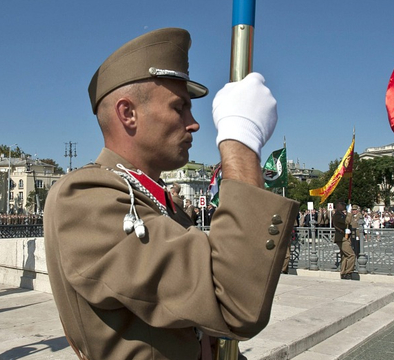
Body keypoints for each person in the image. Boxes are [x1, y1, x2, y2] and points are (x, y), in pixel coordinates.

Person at [44, 27, 298, 359]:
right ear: (128, 114)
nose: (194, 124)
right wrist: (240, 140)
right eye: (180, 108)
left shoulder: (154, 199)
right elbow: (232, 301)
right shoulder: (84, 197)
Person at [332, 201, 355, 279]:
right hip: (341, 238)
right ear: (338, 205)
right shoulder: (337, 215)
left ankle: (343, 272)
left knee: (345, 256)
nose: (344, 206)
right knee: (351, 255)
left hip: (343, 236)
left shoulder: (340, 214)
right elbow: (347, 221)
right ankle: (348, 272)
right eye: (342, 205)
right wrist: (349, 213)